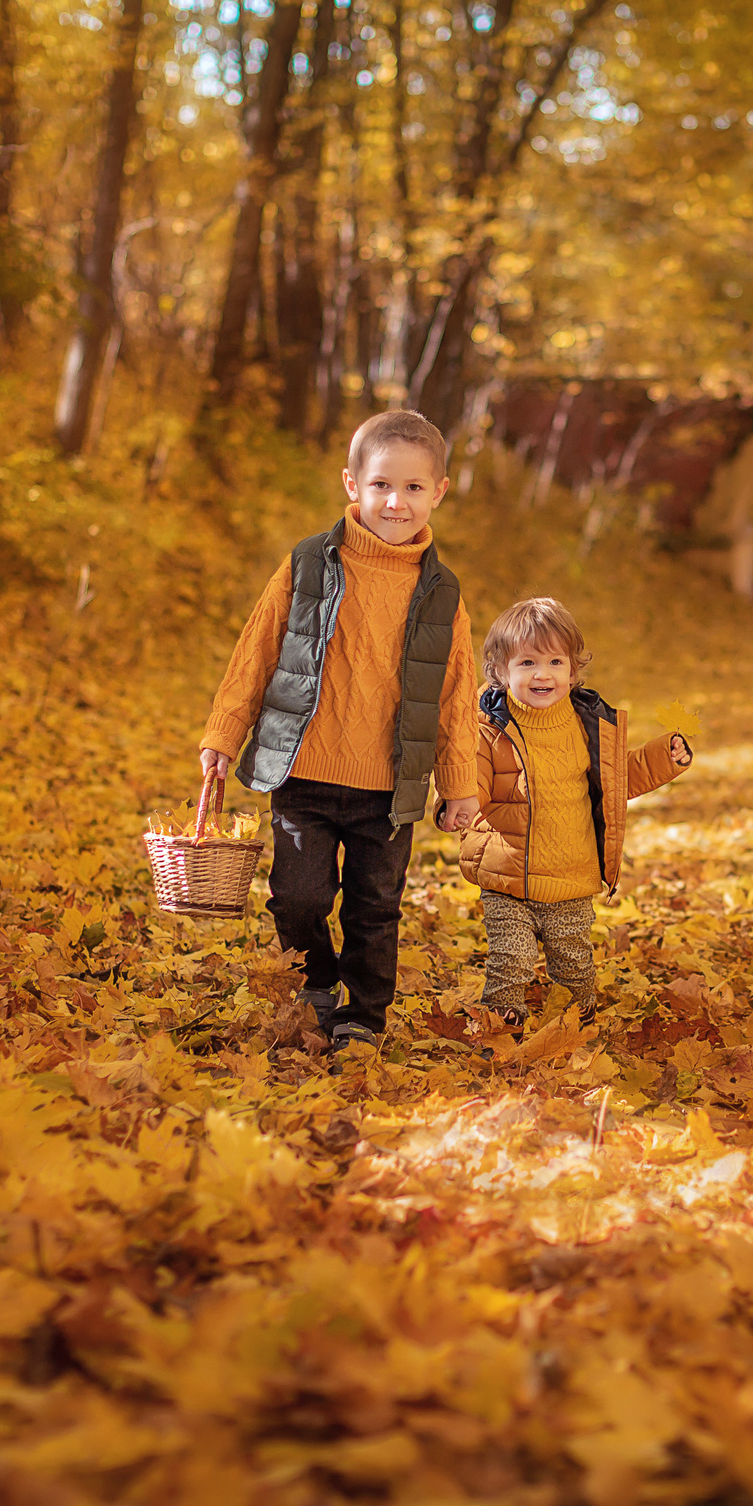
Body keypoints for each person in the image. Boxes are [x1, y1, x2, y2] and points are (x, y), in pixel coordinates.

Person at [198, 410, 480, 1051]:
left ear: (438, 491)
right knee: (297, 896)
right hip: (304, 769)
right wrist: (225, 732)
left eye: (413, 488)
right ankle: (316, 982)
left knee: (374, 910)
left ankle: (363, 1018)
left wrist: (459, 781)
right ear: (352, 484)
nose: (396, 501)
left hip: (390, 785)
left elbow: (457, 693)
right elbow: (259, 649)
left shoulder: (440, 591)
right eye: (382, 484)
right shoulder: (307, 565)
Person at [456, 596, 692, 1023]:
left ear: (572, 669)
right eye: (526, 663)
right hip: (509, 875)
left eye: (554, 662)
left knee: (574, 965)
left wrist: (663, 758)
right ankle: (497, 1027)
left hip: (572, 874)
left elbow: (618, 780)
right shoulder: (486, 729)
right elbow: (466, 781)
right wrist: (457, 803)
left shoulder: (587, 724)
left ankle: (575, 1024)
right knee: (511, 958)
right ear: (500, 671)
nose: (542, 674)